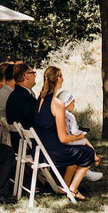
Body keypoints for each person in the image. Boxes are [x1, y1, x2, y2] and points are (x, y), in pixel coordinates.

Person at [33, 67, 94, 200]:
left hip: (39, 150)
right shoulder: (57, 104)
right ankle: (73, 190)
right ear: (58, 79)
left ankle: (64, 186)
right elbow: (63, 138)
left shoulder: (40, 99)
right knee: (88, 152)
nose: (63, 79)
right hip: (51, 152)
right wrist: (80, 136)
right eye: (62, 76)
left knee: (77, 150)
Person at [55, 90, 103, 181]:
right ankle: (95, 158)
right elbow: (74, 131)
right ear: (67, 104)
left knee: (84, 143)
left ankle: (91, 163)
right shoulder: (70, 116)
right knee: (85, 142)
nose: (74, 105)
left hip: (62, 141)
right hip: (68, 141)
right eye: (73, 103)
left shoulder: (58, 114)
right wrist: (81, 134)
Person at [5, 63, 37, 151]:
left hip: (18, 143)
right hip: (29, 145)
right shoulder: (25, 98)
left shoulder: (14, 94)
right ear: (26, 76)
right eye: (33, 73)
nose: (35, 75)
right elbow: (37, 120)